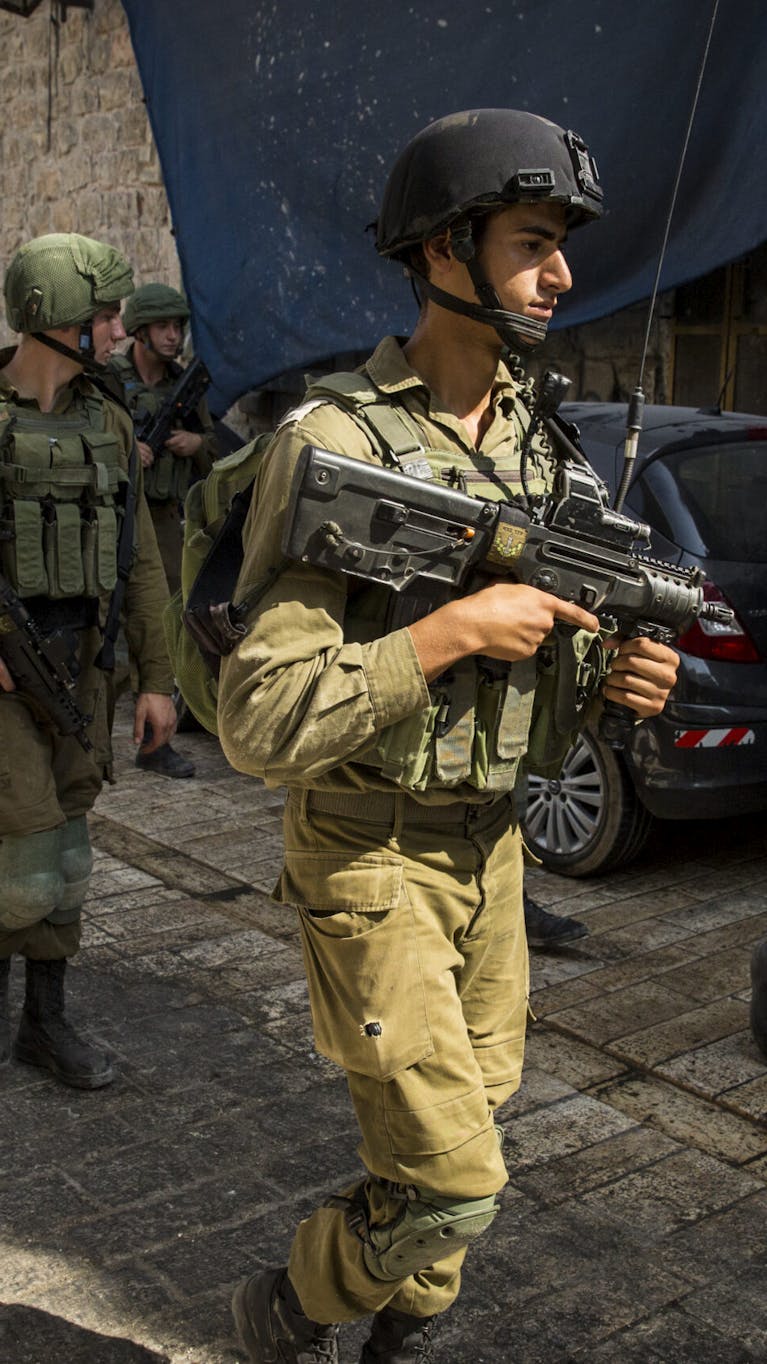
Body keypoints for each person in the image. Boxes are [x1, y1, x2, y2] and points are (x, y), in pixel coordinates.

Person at [217, 110, 679, 1363]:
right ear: (440, 251)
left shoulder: (547, 456)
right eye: (533, 242)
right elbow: (256, 720)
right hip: (369, 859)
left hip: (494, 860)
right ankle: (294, 1302)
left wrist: (615, 680)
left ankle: (400, 1334)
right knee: (458, 1179)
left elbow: (546, 694)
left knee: (452, 1142)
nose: (562, 274)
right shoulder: (336, 445)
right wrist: (449, 630)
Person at [0, 232, 177, 1089]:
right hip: (5, 688)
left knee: (67, 860)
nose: (117, 331)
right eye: (104, 316)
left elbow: (140, 560)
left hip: (84, 677)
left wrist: (155, 680)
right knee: (21, 868)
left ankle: (45, 1025)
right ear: (57, 319)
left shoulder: (107, 421)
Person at [109, 282, 217, 776]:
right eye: (163, 327)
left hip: (165, 518)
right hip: (112, 515)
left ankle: (161, 731)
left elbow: (215, 445)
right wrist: (130, 452)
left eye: (178, 327)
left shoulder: (183, 386)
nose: (174, 337)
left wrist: (197, 443)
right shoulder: (108, 379)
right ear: (139, 332)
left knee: (170, 616)